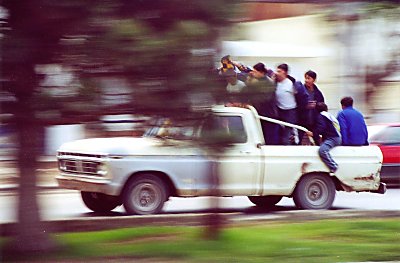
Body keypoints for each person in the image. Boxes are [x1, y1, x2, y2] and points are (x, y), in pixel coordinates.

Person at [243, 62, 279, 145]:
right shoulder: (254, 81)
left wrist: (251, 102)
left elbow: (265, 98)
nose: (253, 73)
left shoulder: (269, 83)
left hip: (268, 114)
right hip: (258, 113)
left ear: (262, 72)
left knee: (269, 138)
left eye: (255, 72)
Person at [306, 102, 341, 174]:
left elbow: (322, 128)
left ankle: (333, 166)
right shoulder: (328, 115)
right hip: (336, 137)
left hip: (333, 138)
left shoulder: (321, 116)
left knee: (322, 150)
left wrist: (313, 133)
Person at [274, 63, 299, 145]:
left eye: (279, 71)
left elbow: (299, 96)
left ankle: (293, 143)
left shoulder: (290, 84)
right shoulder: (275, 82)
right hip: (279, 110)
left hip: (290, 111)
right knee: (279, 133)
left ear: (284, 73)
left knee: (287, 134)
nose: (276, 73)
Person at [298, 70, 325, 143]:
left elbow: (322, 108)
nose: (306, 80)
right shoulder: (301, 90)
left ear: (314, 80)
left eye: (308, 78)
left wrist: (317, 106)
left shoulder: (318, 93)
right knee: (300, 139)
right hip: (302, 120)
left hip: (314, 121)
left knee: (316, 139)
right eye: (305, 78)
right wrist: (305, 106)